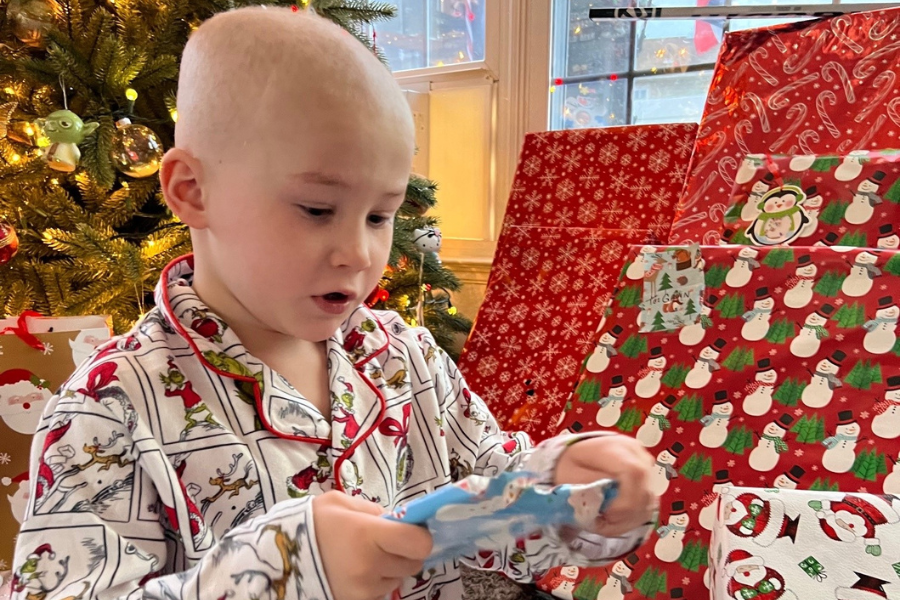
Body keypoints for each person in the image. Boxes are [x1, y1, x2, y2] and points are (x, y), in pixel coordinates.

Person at [10, 8, 656, 600]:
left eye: (380, 215)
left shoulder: (407, 357)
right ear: (193, 190)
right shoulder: (108, 409)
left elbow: (492, 484)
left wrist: (566, 486)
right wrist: (283, 571)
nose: (357, 252)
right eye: (317, 209)